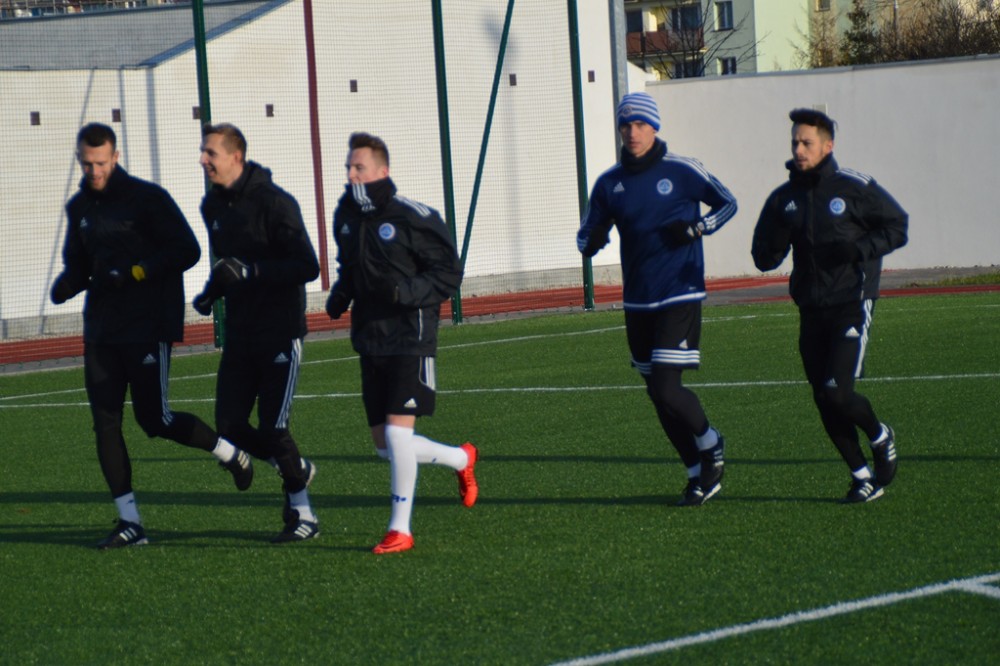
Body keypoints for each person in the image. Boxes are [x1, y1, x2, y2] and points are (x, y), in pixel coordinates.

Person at [49, 122, 254, 550]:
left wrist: (137, 272)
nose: (94, 171)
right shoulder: (79, 207)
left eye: (100, 163)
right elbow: (80, 264)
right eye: (86, 164)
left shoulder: (147, 198)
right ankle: (130, 523)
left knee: (154, 420)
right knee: (105, 423)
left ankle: (229, 453)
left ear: (115, 157)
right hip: (101, 329)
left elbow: (187, 250)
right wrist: (68, 283)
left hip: (146, 325)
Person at [576, 92, 737, 507]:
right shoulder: (609, 183)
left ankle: (711, 442)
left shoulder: (682, 170)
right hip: (638, 302)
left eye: (640, 124)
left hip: (680, 292)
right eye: (625, 125)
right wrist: (593, 239)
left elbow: (727, 203)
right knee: (657, 395)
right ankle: (695, 475)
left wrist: (696, 228)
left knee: (667, 387)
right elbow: (585, 235)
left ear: (655, 127)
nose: (632, 132)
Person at [326, 132, 477, 555]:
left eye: (359, 167)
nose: (351, 175)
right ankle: (462, 459)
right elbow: (350, 266)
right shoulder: (346, 215)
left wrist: (402, 293)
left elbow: (448, 274)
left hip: (411, 337)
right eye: (348, 167)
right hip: (370, 337)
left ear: (382, 171)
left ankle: (400, 530)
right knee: (385, 448)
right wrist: (341, 294)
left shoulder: (413, 216)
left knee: (397, 436)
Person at [751, 108, 908, 503]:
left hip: (851, 302)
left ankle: (880, 435)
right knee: (822, 397)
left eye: (807, 143)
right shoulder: (783, 199)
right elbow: (762, 256)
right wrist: (775, 242)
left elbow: (897, 226)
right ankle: (861, 477)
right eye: (795, 142)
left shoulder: (853, 187)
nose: (799, 150)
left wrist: (858, 250)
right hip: (811, 309)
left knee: (837, 392)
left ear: (827, 146)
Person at [193, 123, 321, 542]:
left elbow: (307, 265)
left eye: (210, 153)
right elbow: (228, 266)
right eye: (203, 152)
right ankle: (297, 468)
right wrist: (210, 294)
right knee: (229, 426)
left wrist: (254, 272)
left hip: (279, 332)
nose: (203, 160)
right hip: (240, 334)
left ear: (236, 156)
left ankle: (304, 515)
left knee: (273, 429)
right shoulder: (212, 206)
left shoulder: (275, 202)